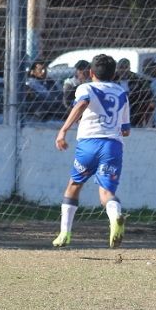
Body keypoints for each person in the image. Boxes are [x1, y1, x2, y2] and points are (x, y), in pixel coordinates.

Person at [52, 54, 130, 249]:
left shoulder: (85, 87)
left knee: (74, 185)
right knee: (106, 192)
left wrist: (63, 131)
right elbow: (126, 130)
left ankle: (64, 233)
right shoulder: (121, 92)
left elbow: (82, 103)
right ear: (113, 74)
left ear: (91, 73)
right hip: (113, 145)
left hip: (89, 144)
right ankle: (115, 215)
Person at [116, 58, 153, 127]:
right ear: (117, 68)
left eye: (126, 67)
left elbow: (147, 95)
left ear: (129, 68)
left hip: (134, 116)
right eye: (121, 67)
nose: (123, 70)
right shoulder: (111, 80)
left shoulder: (137, 80)